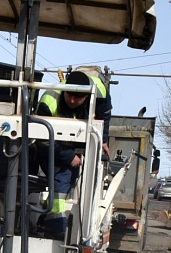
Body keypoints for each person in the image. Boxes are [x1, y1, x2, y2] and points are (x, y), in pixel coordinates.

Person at [33, 69, 112, 237]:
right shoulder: (48, 102)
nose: (72, 100)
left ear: (87, 97)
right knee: (62, 180)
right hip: (52, 146)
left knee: (69, 179)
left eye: (78, 98)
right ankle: (55, 230)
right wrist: (69, 157)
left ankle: (44, 219)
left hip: (73, 144)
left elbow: (104, 115)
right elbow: (43, 139)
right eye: (69, 95)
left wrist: (103, 139)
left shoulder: (100, 93)